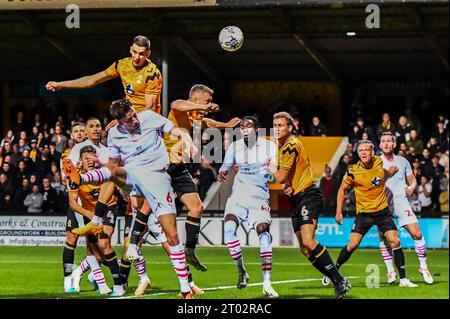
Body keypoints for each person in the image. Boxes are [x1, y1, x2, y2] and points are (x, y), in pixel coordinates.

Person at [63, 99, 198, 299]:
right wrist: (99, 163)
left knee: (172, 236)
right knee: (113, 173)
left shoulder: (149, 118)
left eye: (134, 114)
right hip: (134, 176)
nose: (134, 120)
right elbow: (111, 165)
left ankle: (185, 289)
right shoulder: (115, 135)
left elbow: (177, 131)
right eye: (128, 119)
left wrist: (186, 141)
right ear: (119, 122)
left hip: (158, 178)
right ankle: (81, 179)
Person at [271, 111, 350, 299]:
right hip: (296, 198)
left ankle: (339, 281)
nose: (277, 128)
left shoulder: (291, 144)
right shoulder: (280, 146)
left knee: (308, 241)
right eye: (275, 125)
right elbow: (286, 178)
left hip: (309, 196)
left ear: (290, 128)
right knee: (305, 250)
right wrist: (287, 187)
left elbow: (280, 175)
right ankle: (338, 281)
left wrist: (266, 166)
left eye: (281, 125)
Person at [163, 84, 240, 271]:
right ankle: (122, 270)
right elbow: (176, 104)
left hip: (179, 169)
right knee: (145, 219)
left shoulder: (196, 118)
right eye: (207, 101)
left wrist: (226, 125)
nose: (209, 104)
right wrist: (204, 107)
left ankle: (189, 250)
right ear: (196, 100)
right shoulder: (179, 113)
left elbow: (209, 123)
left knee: (197, 207)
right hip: (162, 168)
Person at [332, 140, 417, 287]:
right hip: (364, 214)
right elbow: (341, 190)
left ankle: (403, 279)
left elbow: (381, 173)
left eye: (366, 150)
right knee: (352, 245)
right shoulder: (353, 171)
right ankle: (333, 272)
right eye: (361, 150)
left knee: (395, 241)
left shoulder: (378, 162)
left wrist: (389, 173)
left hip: (383, 212)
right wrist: (338, 211)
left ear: (372, 153)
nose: (363, 153)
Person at [218, 116, 279, 298]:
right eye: (242, 126)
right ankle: (242, 270)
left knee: (264, 234)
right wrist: (222, 172)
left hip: (259, 197)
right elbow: (225, 167)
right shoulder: (234, 147)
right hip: (238, 196)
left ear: (257, 129)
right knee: (229, 230)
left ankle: (267, 283)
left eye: (249, 126)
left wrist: (274, 168)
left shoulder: (269, 146)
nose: (244, 129)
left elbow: (275, 169)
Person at [46, 35, 162, 114]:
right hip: (129, 117)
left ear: (148, 54)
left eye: (141, 54)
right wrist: (60, 84)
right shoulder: (121, 65)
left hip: (148, 123)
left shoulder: (152, 73)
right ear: (131, 49)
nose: (137, 57)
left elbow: (150, 108)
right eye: (135, 52)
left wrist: (126, 119)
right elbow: (91, 80)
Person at [378, 132, 433, 284]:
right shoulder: (376, 162)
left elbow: (412, 180)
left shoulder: (403, 161)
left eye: (389, 141)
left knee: (417, 234)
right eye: (384, 141)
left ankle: (423, 266)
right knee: (385, 238)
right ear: (380, 145)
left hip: (402, 203)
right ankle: (390, 271)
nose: (387, 143)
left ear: (394, 144)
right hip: (383, 204)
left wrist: (412, 187)